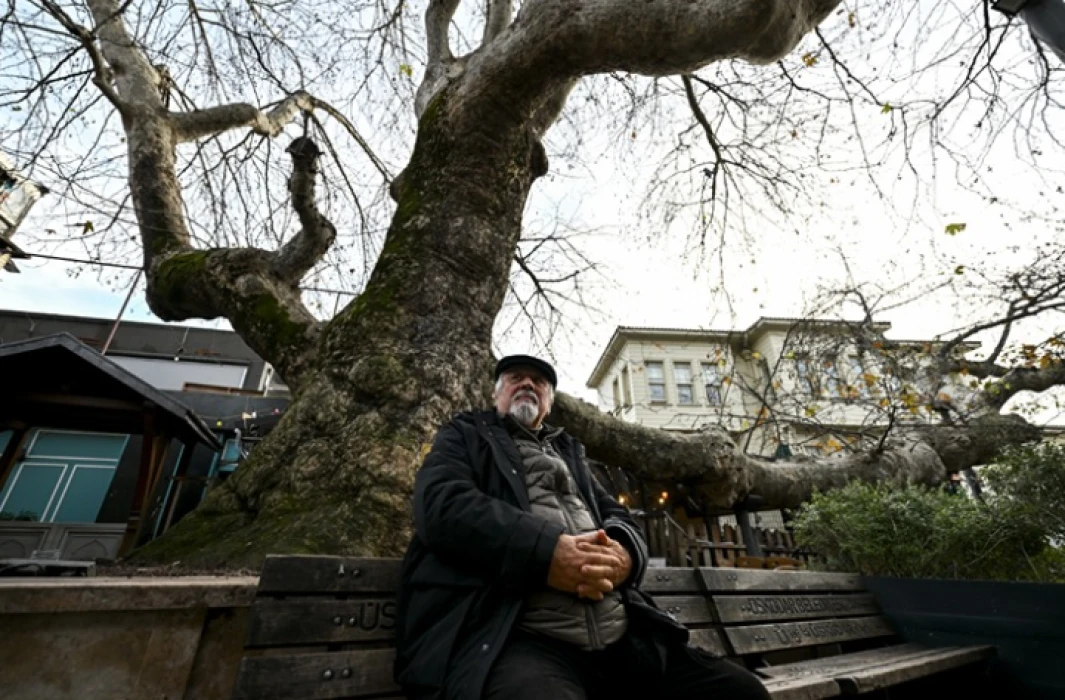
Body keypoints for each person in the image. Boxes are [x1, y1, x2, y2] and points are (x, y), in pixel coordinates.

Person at [394, 355, 771, 700]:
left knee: (742, 693)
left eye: (539, 381)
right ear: (496, 395)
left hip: (622, 640)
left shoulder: (570, 454)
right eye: (515, 378)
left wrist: (624, 556)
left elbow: (619, 517)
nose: (528, 384)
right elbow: (441, 506)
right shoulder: (465, 435)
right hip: (520, 641)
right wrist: (547, 554)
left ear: (550, 402)